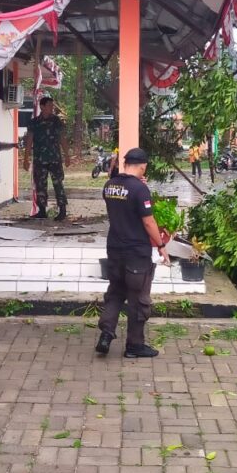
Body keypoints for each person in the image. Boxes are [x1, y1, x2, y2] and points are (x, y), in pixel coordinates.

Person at [96, 148, 170, 359]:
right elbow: (148, 221)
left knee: (115, 293)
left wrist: (139, 186)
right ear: (143, 166)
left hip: (114, 250)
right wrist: (161, 245)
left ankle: (106, 334)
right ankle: (134, 346)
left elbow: (124, 203)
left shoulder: (109, 186)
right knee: (138, 299)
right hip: (136, 253)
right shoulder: (139, 189)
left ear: (125, 163)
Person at [23, 96, 70, 220]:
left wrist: (67, 155)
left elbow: (62, 139)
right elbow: (29, 141)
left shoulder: (56, 121)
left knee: (58, 184)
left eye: (52, 106)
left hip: (55, 159)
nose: (52, 108)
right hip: (40, 159)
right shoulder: (34, 122)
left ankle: (62, 210)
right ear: (42, 106)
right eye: (49, 105)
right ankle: (42, 210)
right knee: (40, 185)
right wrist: (26, 159)